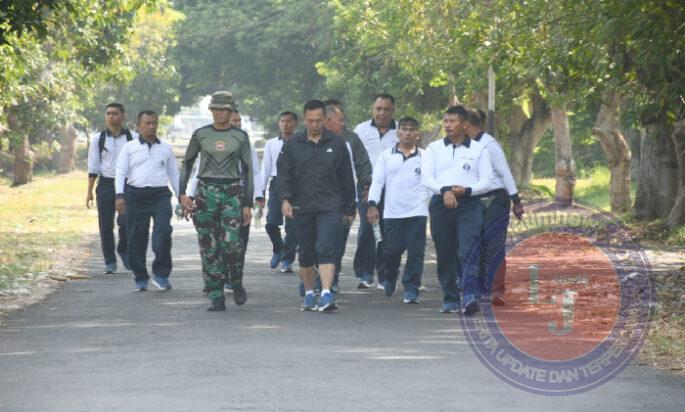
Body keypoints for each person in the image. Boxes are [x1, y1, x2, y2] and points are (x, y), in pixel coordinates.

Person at [277, 99, 356, 312]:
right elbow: (283, 175)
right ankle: (310, 293)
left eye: (318, 120)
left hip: (330, 205)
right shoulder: (292, 145)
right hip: (302, 206)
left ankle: (327, 293)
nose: (314, 124)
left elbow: (347, 178)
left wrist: (350, 208)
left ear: (325, 120)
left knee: (326, 247)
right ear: (304, 120)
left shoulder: (338, 144)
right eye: (310, 121)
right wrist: (285, 199)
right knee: (306, 252)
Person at [179, 91, 254, 311]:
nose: (220, 113)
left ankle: (236, 281)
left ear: (231, 112)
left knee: (232, 243)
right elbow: (187, 163)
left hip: (232, 193)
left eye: (224, 109)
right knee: (208, 245)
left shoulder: (240, 137)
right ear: (211, 111)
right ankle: (215, 294)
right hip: (205, 194)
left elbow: (248, 170)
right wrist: (183, 194)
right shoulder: (201, 134)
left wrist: (248, 203)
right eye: (216, 109)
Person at [422, 105, 496, 316]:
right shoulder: (434, 149)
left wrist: (467, 190)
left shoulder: (478, 149)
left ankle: (471, 294)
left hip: (470, 204)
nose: (448, 125)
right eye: (446, 121)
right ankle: (450, 298)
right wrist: (444, 190)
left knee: (468, 248)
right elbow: (427, 177)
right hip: (440, 204)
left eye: (453, 121)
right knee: (445, 252)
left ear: (465, 125)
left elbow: (488, 180)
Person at [114, 110, 179, 291]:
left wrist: (182, 196)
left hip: (160, 196)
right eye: (147, 123)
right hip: (135, 195)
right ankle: (140, 276)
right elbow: (120, 172)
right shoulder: (130, 147)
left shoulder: (165, 148)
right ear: (138, 125)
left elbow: (173, 174)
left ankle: (161, 274)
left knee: (163, 233)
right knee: (136, 237)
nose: (151, 126)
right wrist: (120, 196)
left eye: (154, 123)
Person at [367, 117, 429, 304]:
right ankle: (390, 276)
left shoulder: (425, 156)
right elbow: (378, 181)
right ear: (398, 133)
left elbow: (431, 183)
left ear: (417, 134)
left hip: (417, 212)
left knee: (416, 252)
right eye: (404, 129)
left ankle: (411, 288)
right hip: (393, 213)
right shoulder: (386, 156)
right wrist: (372, 204)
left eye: (412, 129)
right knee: (391, 251)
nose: (408, 132)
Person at [466, 108, 524, 306]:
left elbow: (505, 173)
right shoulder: (468, 145)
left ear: (467, 125)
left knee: (494, 243)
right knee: (476, 243)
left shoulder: (489, 145)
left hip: (495, 199)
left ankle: (497, 290)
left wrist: (516, 201)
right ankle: (480, 287)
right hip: (474, 200)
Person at [323, 99, 372, 291]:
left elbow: (363, 164)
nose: (343, 123)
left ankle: (331, 281)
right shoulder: (308, 139)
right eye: (339, 120)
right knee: (317, 243)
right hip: (314, 201)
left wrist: (366, 184)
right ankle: (312, 279)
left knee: (337, 242)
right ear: (327, 121)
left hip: (342, 201)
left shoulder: (351, 139)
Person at [353, 93, 399, 289]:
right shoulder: (361, 130)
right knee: (367, 229)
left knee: (387, 231)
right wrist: (362, 184)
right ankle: (364, 272)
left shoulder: (401, 131)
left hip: (393, 188)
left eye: (386, 109)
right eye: (378, 109)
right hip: (366, 186)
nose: (381, 113)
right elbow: (352, 160)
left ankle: (384, 274)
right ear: (373, 109)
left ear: (393, 110)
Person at [86, 103, 138, 274]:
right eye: (108, 113)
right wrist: (89, 193)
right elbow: (93, 167)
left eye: (115, 113)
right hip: (106, 185)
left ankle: (125, 251)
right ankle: (110, 261)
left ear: (123, 116)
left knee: (126, 223)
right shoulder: (98, 139)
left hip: (127, 185)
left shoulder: (133, 138)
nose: (111, 117)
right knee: (105, 225)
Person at [260, 111, 299, 273]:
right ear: (279, 123)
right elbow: (266, 168)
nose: (285, 124)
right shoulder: (271, 143)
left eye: (288, 121)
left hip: (296, 185)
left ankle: (287, 260)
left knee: (293, 225)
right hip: (276, 184)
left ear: (295, 123)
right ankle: (279, 248)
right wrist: (260, 192)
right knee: (271, 222)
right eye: (282, 121)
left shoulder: (301, 142)